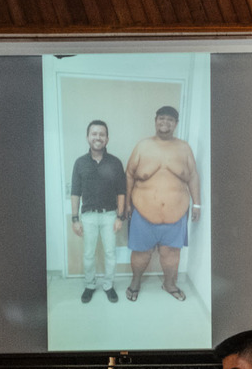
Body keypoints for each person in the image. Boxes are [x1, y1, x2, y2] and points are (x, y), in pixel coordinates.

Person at [124, 105, 200, 303]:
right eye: (162, 118)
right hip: (143, 213)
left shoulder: (184, 148)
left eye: (170, 120)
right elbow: (129, 174)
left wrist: (197, 204)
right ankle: (135, 282)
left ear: (176, 124)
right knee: (141, 253)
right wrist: (126, 204)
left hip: (176, 214)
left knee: (171, 253)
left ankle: (169, 284)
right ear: (155, 120)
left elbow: (193, 176)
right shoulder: (142, 146)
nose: (165, 122)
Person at [70, 119, 126, 304]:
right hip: (88, 217)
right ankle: (90, 285)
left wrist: (120, 217)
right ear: (88, 137)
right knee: (88, 254)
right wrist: (75, 219)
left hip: (110, 216)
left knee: (110, 254)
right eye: (94, 134)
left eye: (102, 134)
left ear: (107, 139)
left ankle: (108, 286)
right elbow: (75, 192)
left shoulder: (115, 163)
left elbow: (121, 192)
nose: (98, 137)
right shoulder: (80, 163)